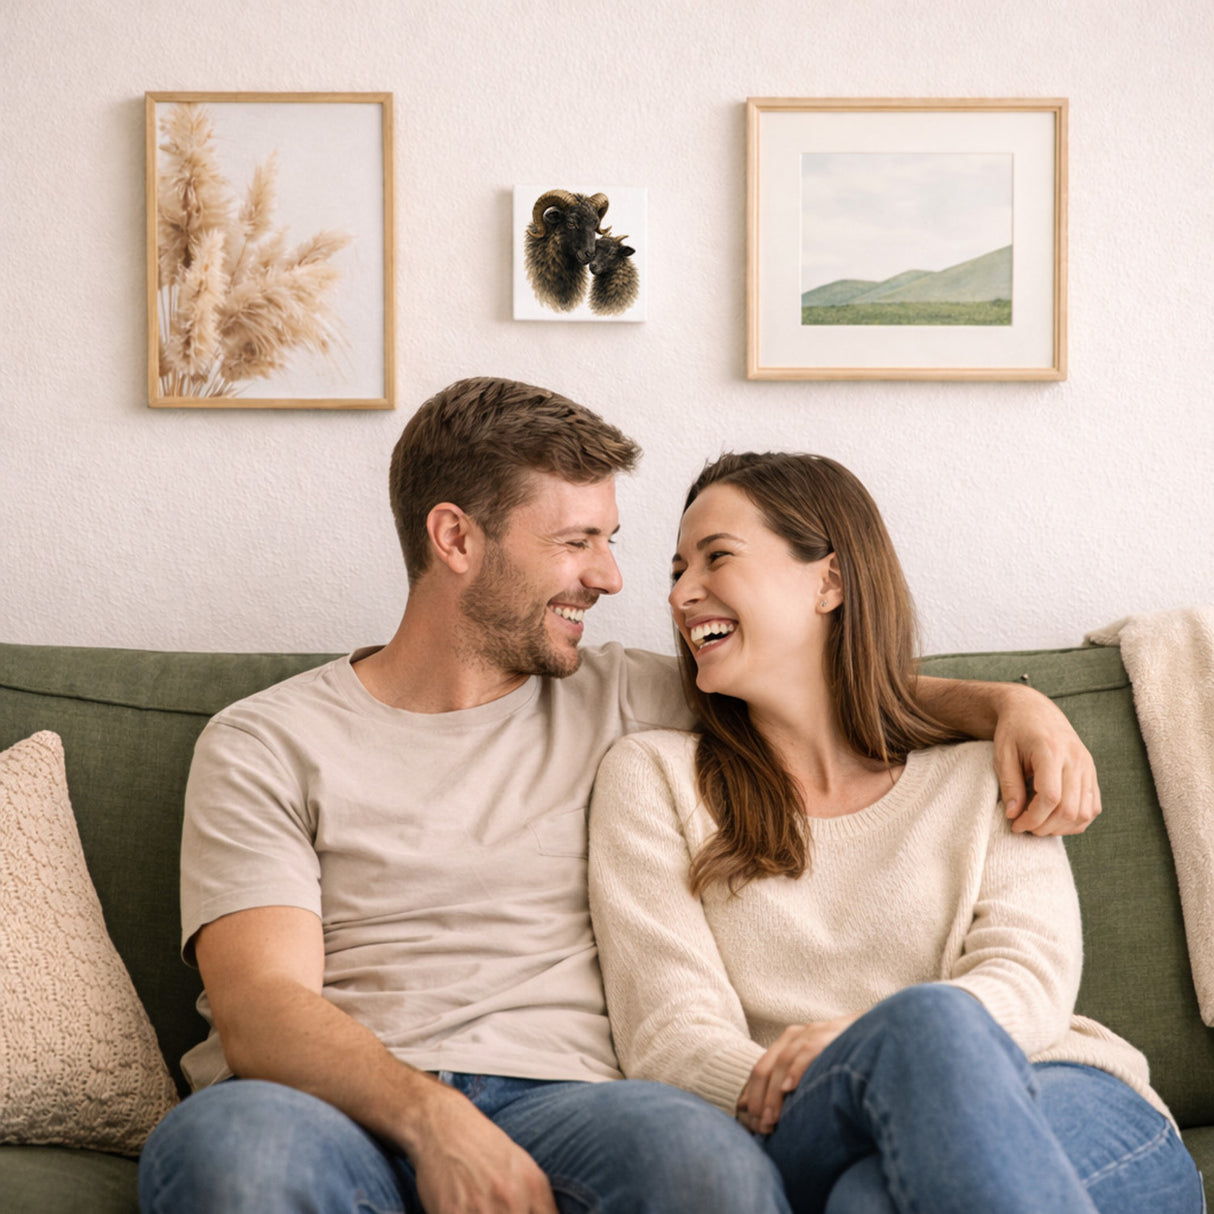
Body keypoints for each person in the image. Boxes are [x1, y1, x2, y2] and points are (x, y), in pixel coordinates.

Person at [139, 380, 1104, 1214]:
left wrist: (1008, 703)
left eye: (614, 542)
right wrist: (435, 1122)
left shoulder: (626, 693)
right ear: (455, 538)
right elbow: (262, 1006)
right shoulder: (266, 739)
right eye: (577, 542)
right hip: (325, 1102)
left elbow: (821, 681)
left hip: (571, 1101)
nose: (612, 577)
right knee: (235, 1153)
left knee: (703, 1167)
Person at [587, 450, 1203, 1214]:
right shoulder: (653, 778)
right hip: (802, 1117)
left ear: (831, 582)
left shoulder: (982, 770)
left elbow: (1030, 980)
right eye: (676, 572)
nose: (681, 594)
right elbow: (671, 1035)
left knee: (873, 1197)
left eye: (716, 558)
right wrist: (868, 1058)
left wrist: (890, 1042)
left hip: (1056, 1089)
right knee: (921, 1027)